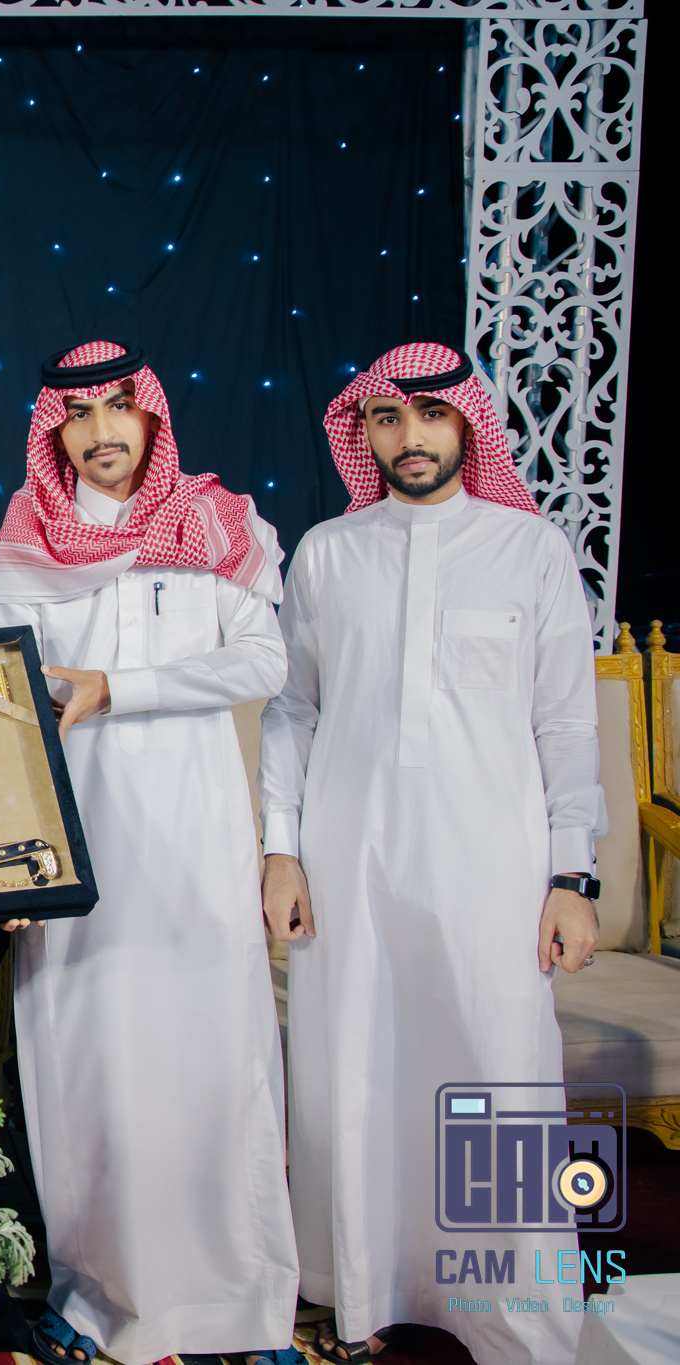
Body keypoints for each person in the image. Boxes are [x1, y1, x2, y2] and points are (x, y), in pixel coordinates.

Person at [261, 343, 601, 1365]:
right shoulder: (327, 553)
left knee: (495, 1068)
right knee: (354, 1070)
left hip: (489, 866)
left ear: (466, 426)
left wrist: (571, 876)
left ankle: (506, 1313)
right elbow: (291, 711)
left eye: (430, 416)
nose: (409, 438)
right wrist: (280, 851)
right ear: (361, 432)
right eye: (386, 419)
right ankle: (363, 1291)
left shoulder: (529, 550)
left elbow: (565, 722)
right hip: (349, 861)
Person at [0, 342, 299, 1365]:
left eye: (120, 406)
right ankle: (97, 1303)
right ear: (55, 432)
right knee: (90, 1074)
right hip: (77, 853)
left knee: (213, 1064)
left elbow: (264, 661)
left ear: (151, 416)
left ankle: (245, 1305)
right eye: (79, 413)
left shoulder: (214, 520)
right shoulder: (24, 538)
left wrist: (121, 688)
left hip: (196, 844)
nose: (101, 429)